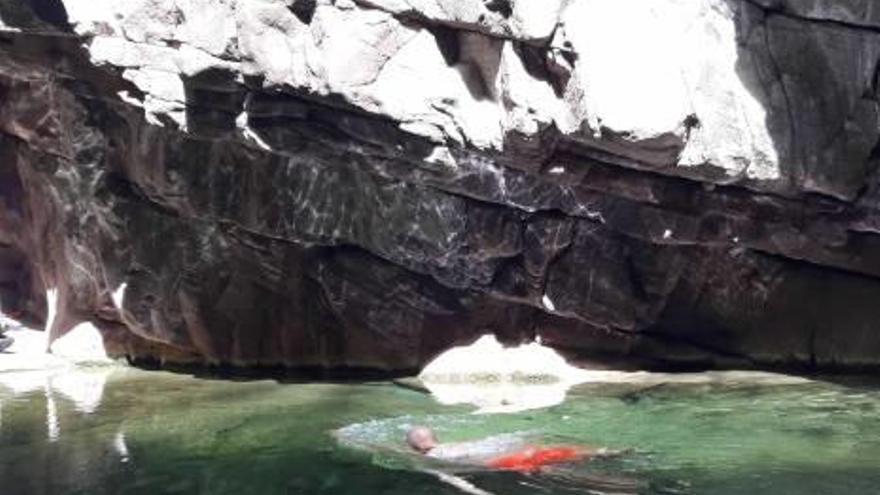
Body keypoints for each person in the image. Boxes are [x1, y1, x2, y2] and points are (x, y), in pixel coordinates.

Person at [406, 426, 614, 473]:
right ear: (436, 437)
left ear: (415, 448)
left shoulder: (432, 458)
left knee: (548, 469)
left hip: (506, 460)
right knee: (564, 452)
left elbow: (451, 478)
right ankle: (607, 452)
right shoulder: (453, 445)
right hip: (518, 447)